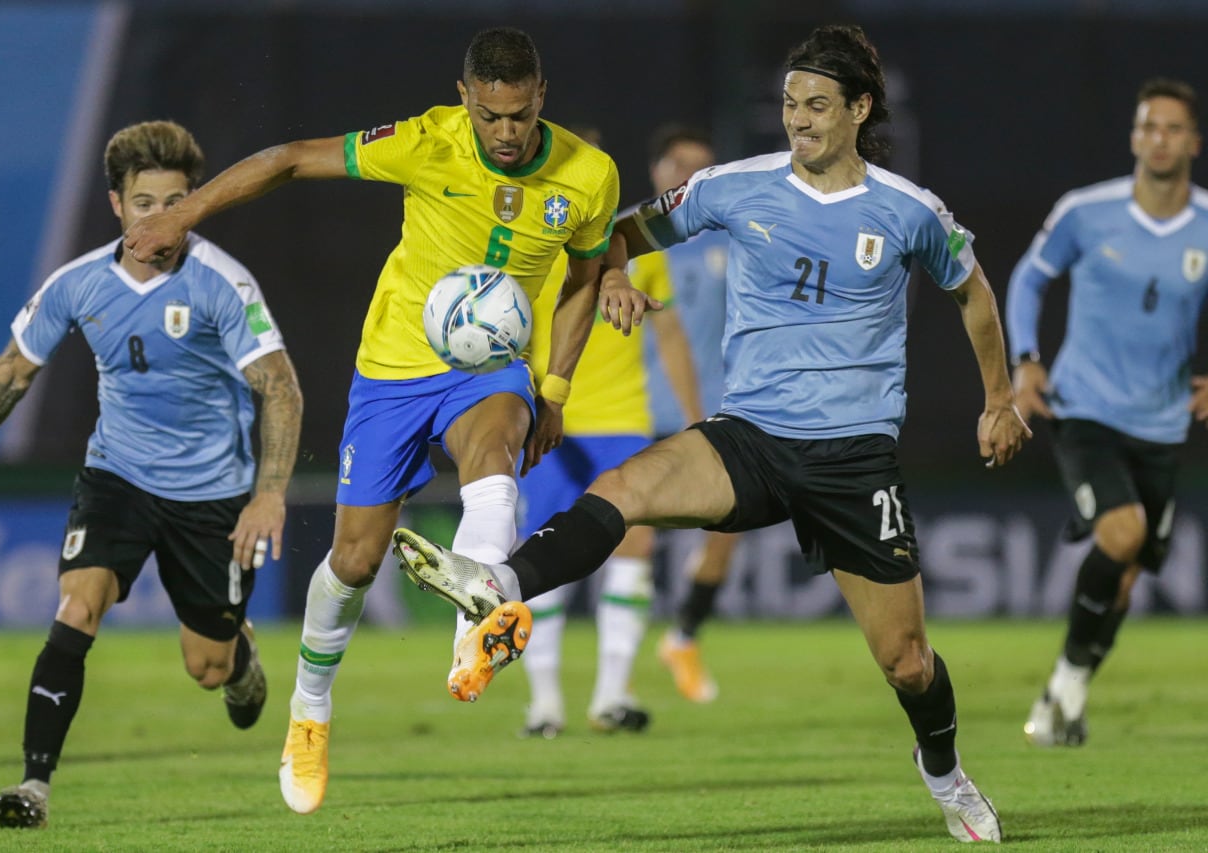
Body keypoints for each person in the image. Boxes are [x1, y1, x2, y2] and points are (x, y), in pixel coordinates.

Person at [393, 24, 1029, 844]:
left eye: (818, 106)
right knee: (622, 489)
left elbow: (972, 291)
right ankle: (500, 590)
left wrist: (998, 398)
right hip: (750, 435)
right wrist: (615, 272)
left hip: (854, 455)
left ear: (860, 108)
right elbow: (617, 230)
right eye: (791, 104)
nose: (798, 121)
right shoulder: (734, 186)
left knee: (906, 661)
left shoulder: (908, 211)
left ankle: (943, 770)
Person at [124, 28, 619, 814]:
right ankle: (310, 709)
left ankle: (478, 616)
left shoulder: (589, 174)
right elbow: (288, 158)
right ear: (467, 99)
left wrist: (553, 387)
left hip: (491, 365)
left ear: (541, 99)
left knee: (494, 448)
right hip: (392, 370)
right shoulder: (425, 141)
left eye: (520, 116)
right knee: (355, 560)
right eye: (490, 116)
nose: (505, 133)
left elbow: (588, 273)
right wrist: (182, 213)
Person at [0, 120, 304, 829]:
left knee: (209, 667)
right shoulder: (77, 283)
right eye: (144, 202)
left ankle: (239, 653)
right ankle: (33, 786)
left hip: (213, 496)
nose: (160, 216)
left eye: (176, 200)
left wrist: (269, 494)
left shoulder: (222, 282)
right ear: (116, 205)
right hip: (118, 478)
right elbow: (14, 370)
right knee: (76, 608)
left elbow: (279, 387)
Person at [1007, 77, 1208, 749]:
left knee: (1122, 579)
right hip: (1084, 408)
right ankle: (1064, 692)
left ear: (1194, 142)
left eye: (1173, 128)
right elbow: (1029, 277)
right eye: (1148, 126)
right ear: (1133, 136)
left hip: (1163, 423)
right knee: (1121, 534)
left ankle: (1066, 689)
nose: (1160, 138)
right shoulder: (1086, 212)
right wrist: (1027, 358)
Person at [516, 126, 701, 738]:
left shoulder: (629, 245)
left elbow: (668, 334)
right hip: (549, 419)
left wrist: (696, 416)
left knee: (636, 547)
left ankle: (610, 696)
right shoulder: (523, 239)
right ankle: (544, 706)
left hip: (624, 418)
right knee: (540, 555)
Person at [632, 123, 740, 705]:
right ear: (656, 171)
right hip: (635, 408)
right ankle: (606, 677)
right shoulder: (626, 237)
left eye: (704, 170)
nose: (691, 180)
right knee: (633, 540)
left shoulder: (730, 239)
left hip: (719, 409)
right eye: (681, 166)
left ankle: (682, 637)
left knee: (731, 528)